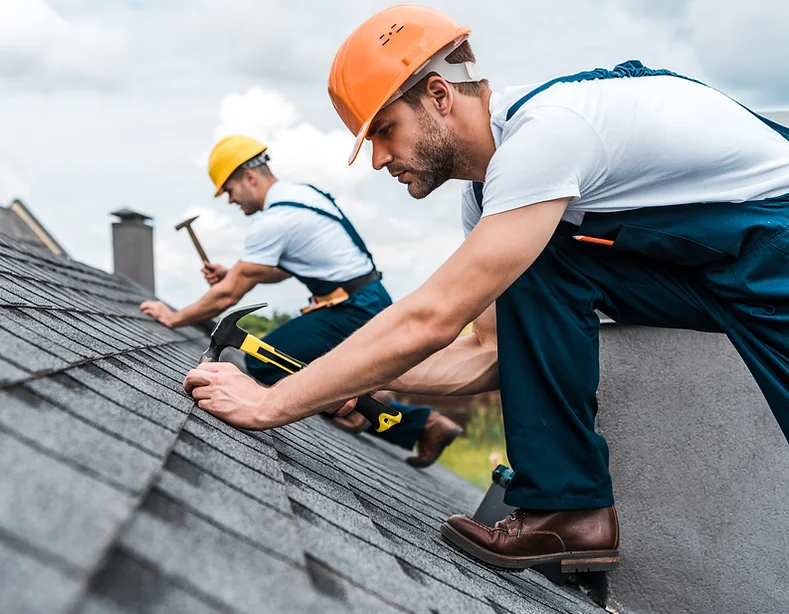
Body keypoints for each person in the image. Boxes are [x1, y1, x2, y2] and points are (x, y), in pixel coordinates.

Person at [183, 5, 789, 574]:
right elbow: (488, 352)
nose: (377, 160)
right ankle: (569, 509)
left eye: (385, 131)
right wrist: (348, 381)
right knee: (542, 263)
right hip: (713, 265)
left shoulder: (546, 138)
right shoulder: (495, 201)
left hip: (774, 242)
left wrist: (273, 402)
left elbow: (432, 318)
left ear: (439, 96)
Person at [142, 134, 463, 467]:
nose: (230, 201)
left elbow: (229, 294)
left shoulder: (275, 219)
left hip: (351, 309)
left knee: (260, 363)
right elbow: (278, 271)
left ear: (249, 177)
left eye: (230, 190)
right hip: (364, 300)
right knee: (316, 372)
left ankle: (400, 417)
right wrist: (234, 273)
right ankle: (412, 421)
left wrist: (174, 317)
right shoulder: (303, 196)